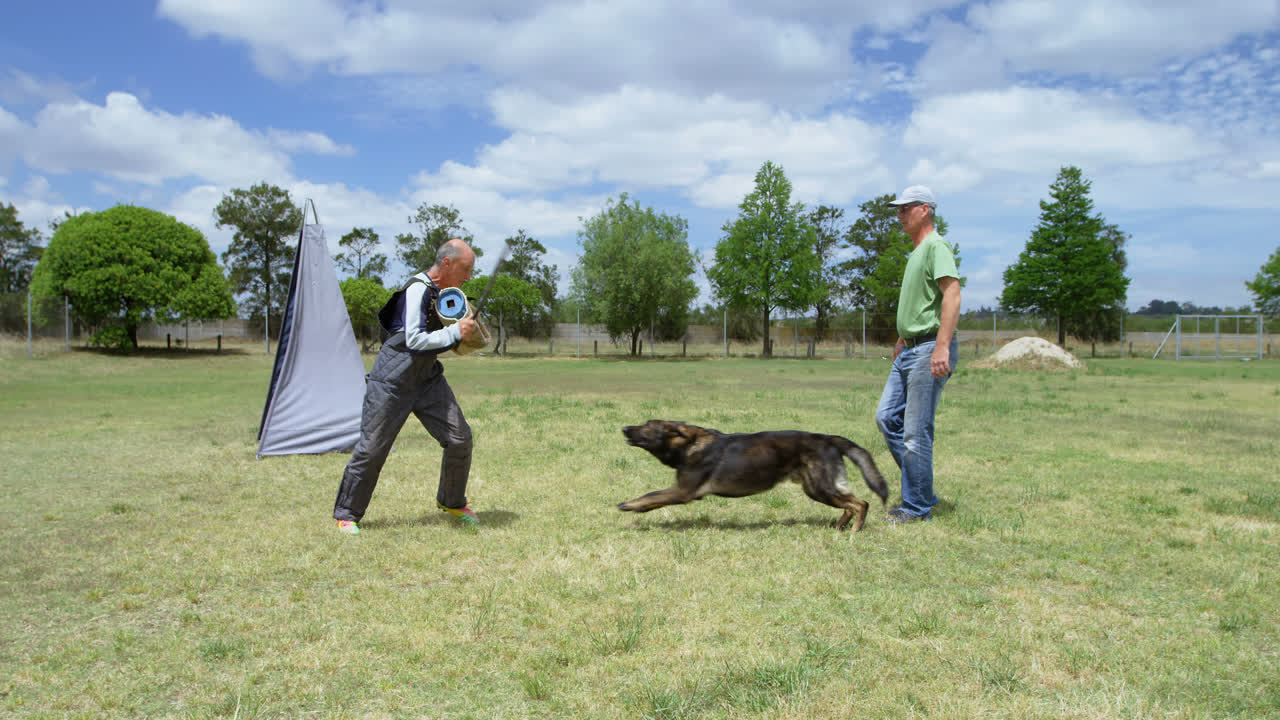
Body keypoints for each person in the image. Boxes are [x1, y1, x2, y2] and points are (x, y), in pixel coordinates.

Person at [333, 238, 480, 534]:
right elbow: (414, 339)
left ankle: (451, 501)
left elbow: (446, 336)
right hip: (392, 380)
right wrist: (455, 332)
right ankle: (347, 514)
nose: (468, 277)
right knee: (373, 448)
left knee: (459, 438)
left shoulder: (446, 294)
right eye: (465, 269)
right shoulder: (418, 288)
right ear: (447, 263)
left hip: (427, 378)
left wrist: (468, 333)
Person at [875, 185, 961, 523]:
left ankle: (915, 507)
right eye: (897, 209)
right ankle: (921, 489)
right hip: (910, 348)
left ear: (925, 209)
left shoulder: (936, 246)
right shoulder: (915, 253)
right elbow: (922, 303)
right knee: (887, 418)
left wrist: (942, 345)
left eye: (905, 208)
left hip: (929, 348)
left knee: (915, 430)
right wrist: (902, 338)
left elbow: (951, 294)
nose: (899, 215)